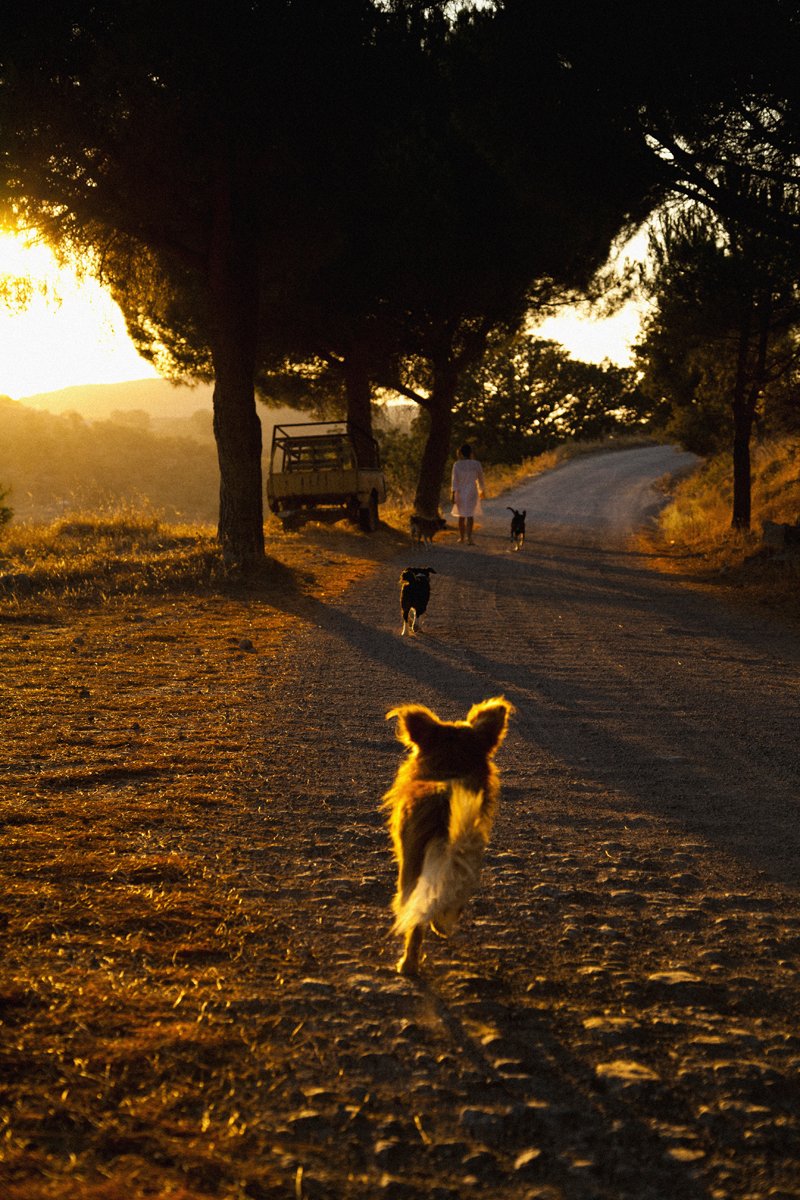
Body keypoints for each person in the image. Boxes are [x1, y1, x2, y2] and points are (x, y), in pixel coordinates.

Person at [450, 443, 485, 544]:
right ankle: (469, 538)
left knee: (461, 516)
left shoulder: (457, 464)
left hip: (460, 491)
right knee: (470, 515)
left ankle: (461, 538)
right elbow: (481, 479)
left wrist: (453, 494)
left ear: (460, 453)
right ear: (471, 452)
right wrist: (481, 490)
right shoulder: (476, 464)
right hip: (472, 491)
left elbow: (454, 481)